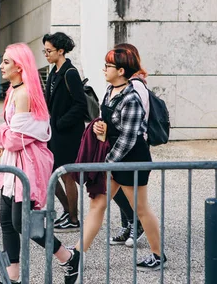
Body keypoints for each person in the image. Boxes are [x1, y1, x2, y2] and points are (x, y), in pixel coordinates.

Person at [66, 45, 166, 281]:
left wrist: (106, 162)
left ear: (121, 70)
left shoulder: (131, 97)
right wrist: (102, 128)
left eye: (109, 66)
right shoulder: (111, 90)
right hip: (115, 159)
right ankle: (77, 254)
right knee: (97, 206)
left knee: (141, 209)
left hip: (131, 161)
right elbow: (111, 125)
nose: (105, 69)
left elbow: (130, 138)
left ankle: (158, 255)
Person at [0, 43, 80, 284]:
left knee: (22, 222)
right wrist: (5, 136)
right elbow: (11, 133)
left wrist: (3, 138)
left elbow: (14, 138)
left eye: (6, 62)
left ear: (19, 67)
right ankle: (12, 276)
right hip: (15, 165)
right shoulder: (14, 90)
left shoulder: (24, 93)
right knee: (6, 219)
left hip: (26, 165)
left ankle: (68, 257)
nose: (2, 66)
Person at [42, 32, 87, 232]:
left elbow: (80, 104)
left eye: (49, 51)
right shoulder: (54, 71)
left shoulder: (70, 72)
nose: (46, 54)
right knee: (52, 172)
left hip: (67, 133)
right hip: (55, 132)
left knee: (67, 175)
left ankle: (74, 219)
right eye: (44, 51)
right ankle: (68, 211)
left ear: (61, 51)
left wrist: (60, 122)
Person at [110, 43, 149, 248]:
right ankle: (130, 224)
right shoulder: (115, 88)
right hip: (120, 149)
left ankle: (138, 226)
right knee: (110, 196)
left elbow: (133, 127)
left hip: (132, 148)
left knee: (137, 203)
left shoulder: (135, 88)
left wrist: (109, 160)